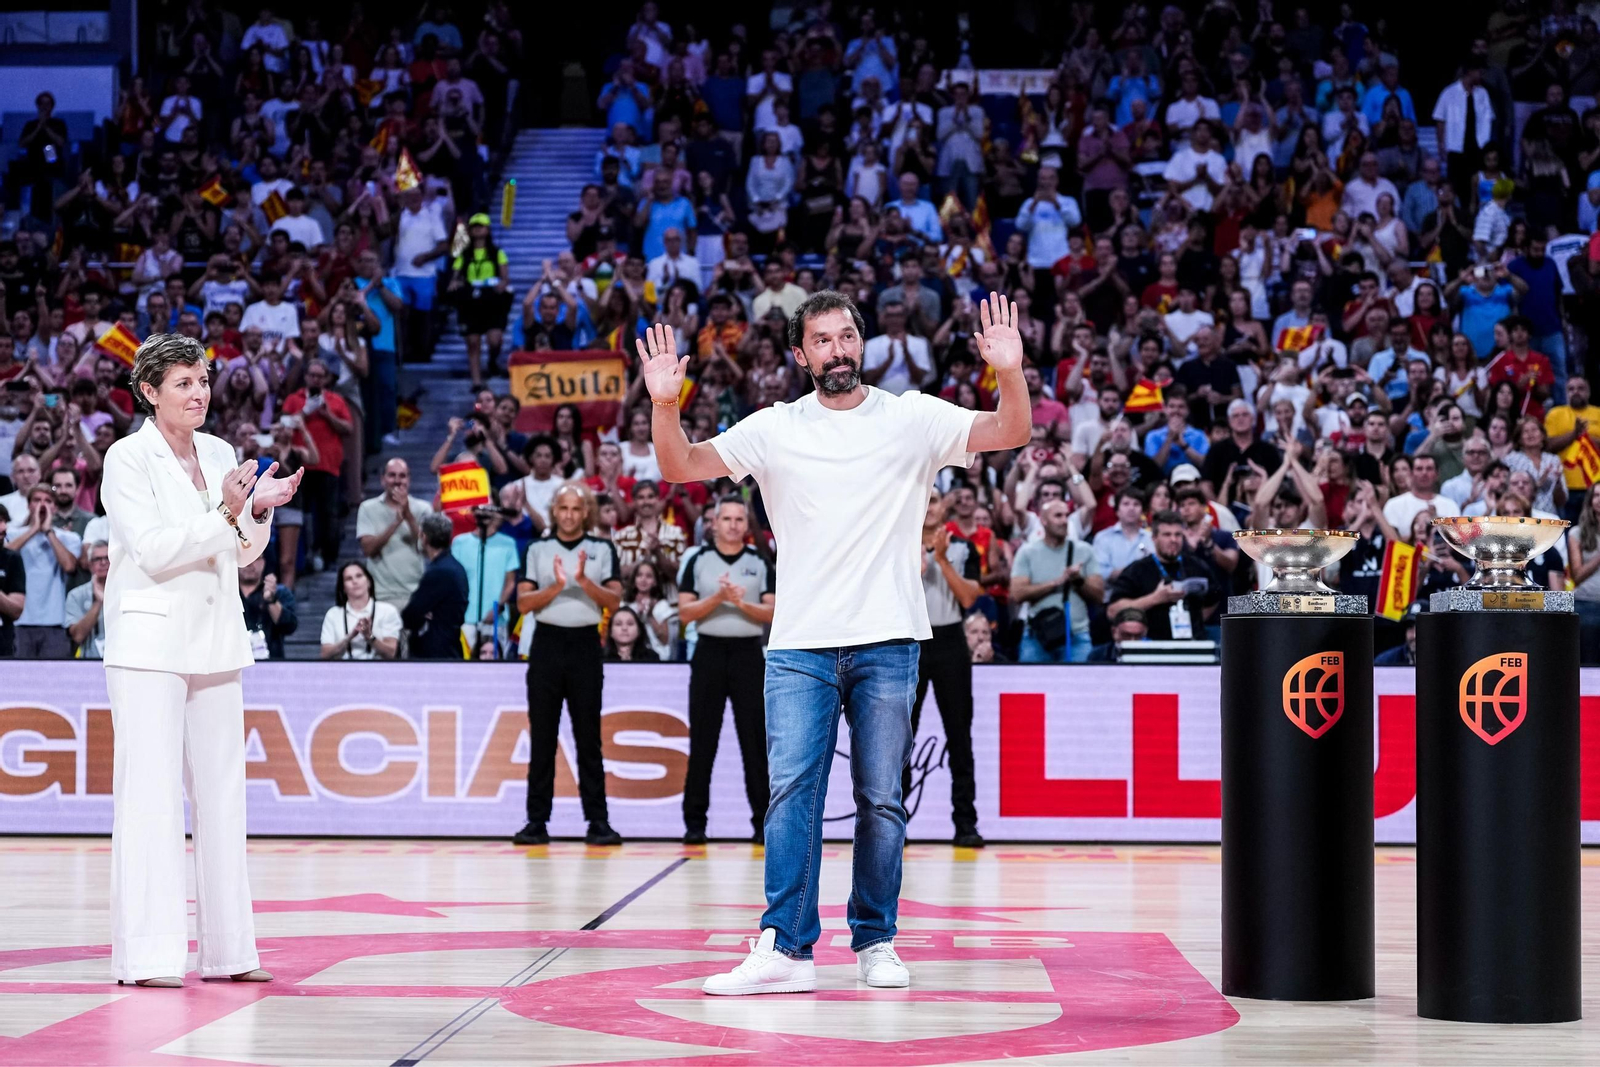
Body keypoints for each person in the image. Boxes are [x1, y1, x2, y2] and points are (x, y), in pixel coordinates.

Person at [637, 287, 1029, 995]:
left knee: (881, 799)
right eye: (822, 340)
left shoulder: (912, 416)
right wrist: (666, 404)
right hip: (799, 643)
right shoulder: (774, 426)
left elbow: (1010, 430)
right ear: (800, 354)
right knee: (791, 795)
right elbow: (680, 466)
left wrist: (1009, 370)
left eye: (847, 336)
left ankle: (876, 940)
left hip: (889, 638)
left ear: (862, 342)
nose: (838, 350)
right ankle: (786, 948)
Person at [99, 332, 301, 987]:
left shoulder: (218, 452)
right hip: (149, 646)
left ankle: (230, 951)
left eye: (204, 380)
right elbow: (155, 550)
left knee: (223, 799)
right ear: (149, 391)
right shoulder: (127, 458)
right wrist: (228, 509)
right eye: (184, 383)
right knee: (150, 799)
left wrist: (258, 511)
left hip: (216, 638)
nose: (199, 393)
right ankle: (149, 955)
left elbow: (239, 552)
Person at [513, 482, 624, 847]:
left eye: (576, 508)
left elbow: (614, 601)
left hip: (585, 646)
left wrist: (583, 581)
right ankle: (536, 821)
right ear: (554, 510)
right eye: (563, 508)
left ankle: (598, 821)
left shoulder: (602, 549)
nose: (569, 515)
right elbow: (523, 604)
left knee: (588, 737)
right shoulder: (537, 548)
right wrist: (558, 586)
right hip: (546, 645)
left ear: (586, 512)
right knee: (542, 737)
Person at [677, 495, 776, 844]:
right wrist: (718, 599)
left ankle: (763, 823)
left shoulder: (759, 561)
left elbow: (772, 612)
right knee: (703, 740)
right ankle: (695, 824)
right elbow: (685, 613)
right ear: (714, 523)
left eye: (739, 519)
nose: (733, 525)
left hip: (748, 654)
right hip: (709, 653)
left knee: (754, 742)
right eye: (727, 519)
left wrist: (739, 603)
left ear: (747, 525)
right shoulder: (698, 560)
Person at [901, 487, 983, 846]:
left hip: (950, 641)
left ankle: (965, 824)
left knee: (959, 735)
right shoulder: (897, 542)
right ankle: (893, 826)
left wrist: (943, 560)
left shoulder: (963, 548)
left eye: (934, 499)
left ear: (944, 506)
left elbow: (968, 598)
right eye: (924, 497)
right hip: (909, 640)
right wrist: (915, 569)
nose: (929, 505)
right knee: (900, 738)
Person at [1011, 498, 1103, 663]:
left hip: (1076, 636)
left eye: (1066, 516)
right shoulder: (1027, 552)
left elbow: (1099, 596)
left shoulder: (1084, 551)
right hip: (1037, 637)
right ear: (1043, 521)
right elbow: (1017, 593)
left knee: (1081, 680)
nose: (1064, 521)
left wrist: (1078, 580)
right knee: (1032, 681)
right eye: (1058, 516)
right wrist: (1056, 583)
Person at [1105, 510, 1218, 640]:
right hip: (1152, 643)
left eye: (1178, 535)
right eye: (1167, 535)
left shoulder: (1197, 566)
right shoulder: (1137, 570)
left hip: (1194, 642)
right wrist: (1155, 598)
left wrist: (1196, 621)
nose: (1173, 540)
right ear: (1154, 538)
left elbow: (1214, 597)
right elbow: (1112, 611)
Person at [5, 484, 79, 657]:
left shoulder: (68, 537)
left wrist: (48, 532)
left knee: (55, 674)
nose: (42, 505)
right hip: (19, 621)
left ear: (55, 507)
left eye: (48, 501)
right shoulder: (13, 534)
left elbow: (69, 566)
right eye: (37, 500)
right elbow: (4, 557)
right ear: (28, 505)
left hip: (54, 622)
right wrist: (34, 529)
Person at [358, 458, 434, 611]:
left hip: (415, 593)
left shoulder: (424, 508)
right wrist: (395, 523)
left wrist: (409, 516)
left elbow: (429, 550)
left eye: (402, 476)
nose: (397, 481)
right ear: (382, 479)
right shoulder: (367, 508)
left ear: (409, 480)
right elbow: (368, 549)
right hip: (381, 595)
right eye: (392, 475)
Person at [401, 513, 469, 659]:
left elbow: (409, 615)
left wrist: (424, 613)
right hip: (446, 648)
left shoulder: (440, 571)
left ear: (424, 537)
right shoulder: (454, 566)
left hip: (436, 653)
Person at [320, 560, 401, 660]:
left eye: (359, 576)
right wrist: (349, 637)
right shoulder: (333, 614)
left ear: (369, 582)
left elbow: (391, 653)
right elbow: (325, 654)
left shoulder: (388, 611)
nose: (355, 581)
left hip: (379, 667)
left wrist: (369, 636)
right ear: (343, 588)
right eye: (349, 579)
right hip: (343, 667)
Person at [237, 556, 297, 659]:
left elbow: (289, 626)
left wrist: (271, 600)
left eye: (255, 558)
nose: (249, 564)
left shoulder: (280, 593)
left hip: (271, 664)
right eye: (244, 558)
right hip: (233, 664)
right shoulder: (223, 595)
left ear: (263, 562)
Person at [64, 539, 109, 657]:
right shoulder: (76, 595)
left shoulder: (125, 592)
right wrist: (98, 602)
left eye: (107, 558)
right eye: (97, 559)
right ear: (90, 565)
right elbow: (77, 636)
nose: (103, 562)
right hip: (89, 660)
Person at [0, 503, 23, 657]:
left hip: (3, 643)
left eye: (4, 521)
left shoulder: (12, 559)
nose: (3, 527)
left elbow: (16, 610)